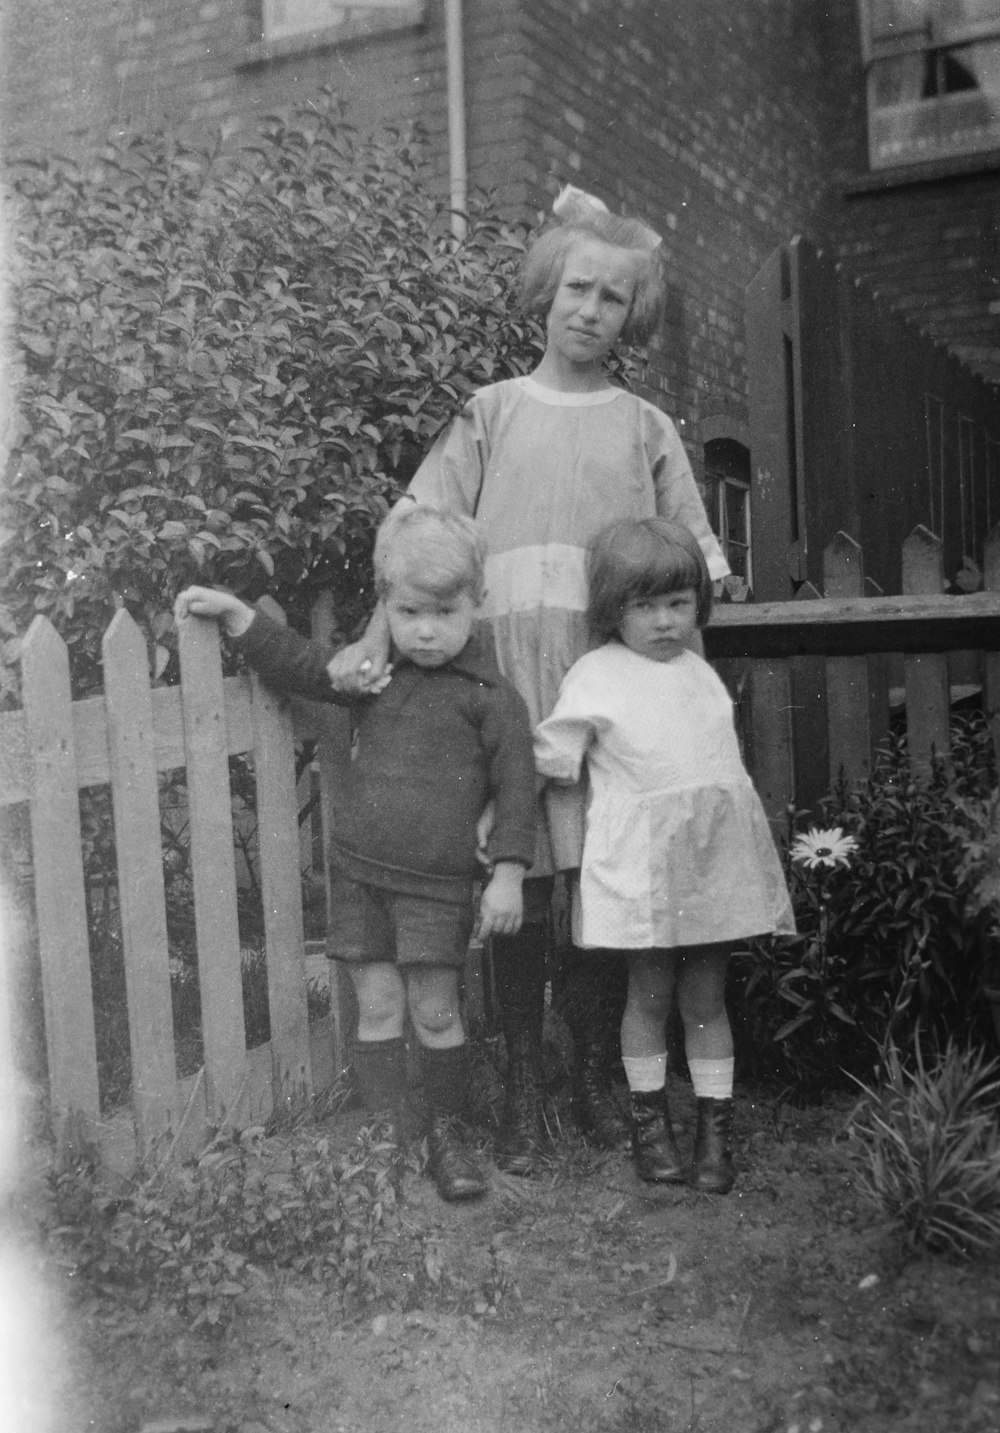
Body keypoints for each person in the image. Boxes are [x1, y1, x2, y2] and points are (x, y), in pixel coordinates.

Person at [328, 185, 730, 1175]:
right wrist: (378, 638)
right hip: (502, 685)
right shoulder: (492, 411)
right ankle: (517, 1088)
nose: (589, 310)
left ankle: (589, 1072)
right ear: (546, 293)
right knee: (521, 884)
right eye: (576, 288)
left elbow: (690, 568)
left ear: (631, 316)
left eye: (612, 297)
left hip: (605, 693)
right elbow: (422, 532)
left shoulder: (646, 428)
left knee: (596, 878)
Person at [174, 505, 537, 1203]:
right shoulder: (372, 676)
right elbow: (302, 664)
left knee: (434, 1008)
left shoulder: (493, 700)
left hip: (436, 884)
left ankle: (447, 1133)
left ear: (476, 603)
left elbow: (518, 792)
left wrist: (509, 879)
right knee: (376, 1004)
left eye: (444, 611)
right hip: (361, 873)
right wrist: (235, 613)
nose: (425, 629)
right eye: (408, 612)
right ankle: (389, 1134)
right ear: (386, 606)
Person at [534, 518, 795, 1192]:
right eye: (644, 606)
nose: (663, 621)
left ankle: (715, 1128)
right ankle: (652, 1124)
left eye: (678, 604)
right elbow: (554, 754)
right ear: (612, 609)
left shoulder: (700, 674)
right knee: (647, 992)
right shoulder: (596, 675)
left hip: (709, 860)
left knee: (706, 996)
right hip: (644, 866)